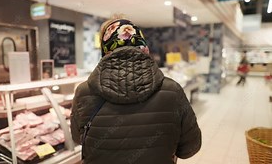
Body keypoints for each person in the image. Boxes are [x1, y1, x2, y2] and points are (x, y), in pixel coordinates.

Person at [70, 16, 201, 164]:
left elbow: (77, 138)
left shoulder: (83, 92)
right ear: (143, 45)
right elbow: (190, 147)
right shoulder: (172, 90)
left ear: (105, 48)